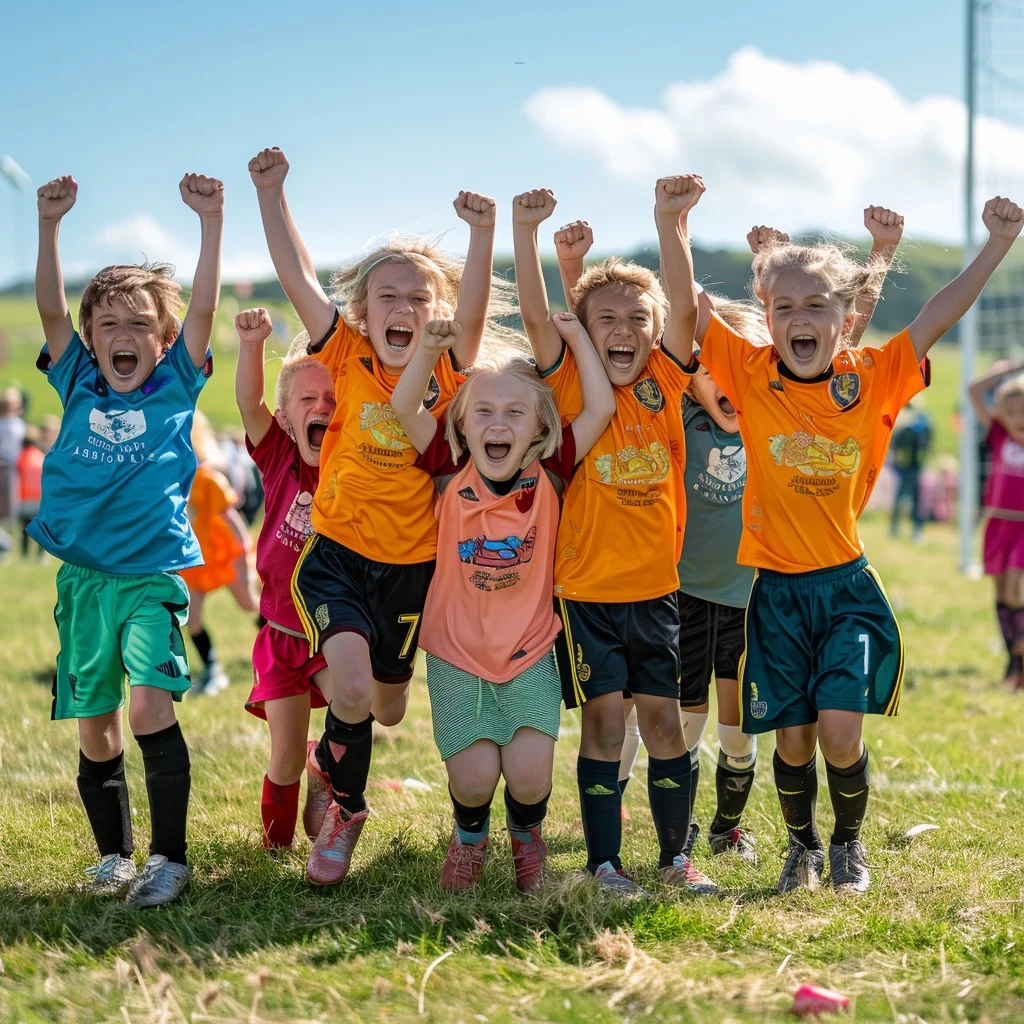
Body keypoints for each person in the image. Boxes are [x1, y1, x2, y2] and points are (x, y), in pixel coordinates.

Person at [681, 184, 1022, 894]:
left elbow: (937, 313)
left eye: (818, 306)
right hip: (773, 594)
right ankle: (800, 848)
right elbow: (687, 315)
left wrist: (997, 244)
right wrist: (670, 225)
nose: (799, 318)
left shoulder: (872, 376)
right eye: (784, 307)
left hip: (846, 590)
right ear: (767, 318)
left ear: (847, 317)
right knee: (794, 741)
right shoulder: (747, 374)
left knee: (840, 734)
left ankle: (847, 848)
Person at [249, 146, 512, 884]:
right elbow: (297, 278)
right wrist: (272, 194)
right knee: (355, 692)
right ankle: (347, 814)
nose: (405, 309)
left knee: (386, 710)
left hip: (412, 568)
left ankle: (330, 754)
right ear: (364, 311)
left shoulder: (449, 368)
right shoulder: (346, 357)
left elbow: (473, 311)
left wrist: (483, 234)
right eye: (389, 297)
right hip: (335, 553)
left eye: (420, 299)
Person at [512, 177, 717, 896]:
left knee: (666, 726)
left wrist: (671, 224)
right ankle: (604, 865)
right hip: (588, 596)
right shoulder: (569, 381)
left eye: (637, 317)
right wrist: (527, 232)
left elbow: (687, 307)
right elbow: (538, 315)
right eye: (606, 318)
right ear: (583, 327)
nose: (623, 329)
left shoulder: (666, 372)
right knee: (603, 727)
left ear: (654, 331)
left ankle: (674, 859)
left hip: (658, 592)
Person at [29, 170, 223, 907]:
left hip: (148, 576)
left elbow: (203, 304)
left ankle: (169, 859)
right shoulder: (77, 382)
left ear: (164, 339)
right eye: (108, 324)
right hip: (82, 582)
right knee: (96, 726)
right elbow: (50, 306)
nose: (123, 336)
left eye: (139, 324)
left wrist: (210, 221)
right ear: (89, 338)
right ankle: (114, 855)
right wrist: (48, 226)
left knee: (148, 710)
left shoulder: (176, 384)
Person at [392, 313, 614, 892]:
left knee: (529, 779)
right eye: (483, 412)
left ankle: (526, 839)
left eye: (515, 413)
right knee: (472, 782)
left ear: (540, 429)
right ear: (461, 426)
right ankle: (469, 839)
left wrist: (577, 339)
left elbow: (600, 410)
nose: (498, 423)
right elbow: (404, 407)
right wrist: (429, 350)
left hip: (529, 652)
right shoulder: (448, 470)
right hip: (456, 654)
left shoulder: (553, 473)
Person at [233, 308, 337, 849]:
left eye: (334, 400)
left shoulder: (351, 464)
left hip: (334, 630)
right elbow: (247, 403)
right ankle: (276, 850)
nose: (323, 407)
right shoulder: (277, 456)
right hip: (281, 633)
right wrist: (252, 344)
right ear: (286, 418)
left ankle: (332, 766)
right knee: (286, 754)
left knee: (351, 707)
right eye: (307, 400)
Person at [180, 410, 261, 695]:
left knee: (250, 603)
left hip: (226, 556)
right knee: (192, 620)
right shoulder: (174, 482)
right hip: (196, 563)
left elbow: (232, 517)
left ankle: (286, 647)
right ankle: (212, 670)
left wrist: (248, 558)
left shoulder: (208, 479)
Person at [968, 360, 1024, 689]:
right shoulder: (999, 433)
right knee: (1002, 591)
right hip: (998, 523)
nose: (1020, 419)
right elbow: (974, 391)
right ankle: (1014, 664)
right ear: (1002, 413)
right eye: (1013, 411)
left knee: (1018, 584)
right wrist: (1014, 368)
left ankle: (1020, 654)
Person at [890, 397, 933, 541]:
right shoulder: (903, 423)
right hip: (904, 465)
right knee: (901, 496)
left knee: (916, 497)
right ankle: (895, 527)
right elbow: (895, 444)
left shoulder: (923, 423)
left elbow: (927, 443)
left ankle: (916, 528)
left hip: (916, 465)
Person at [17, 425, 45, 558]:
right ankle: (40, 555)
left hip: (24, 496)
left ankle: (24, 553)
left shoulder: (21, 455)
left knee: (25, 527)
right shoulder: (41, 455)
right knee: (41, 527)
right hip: (39, 496)